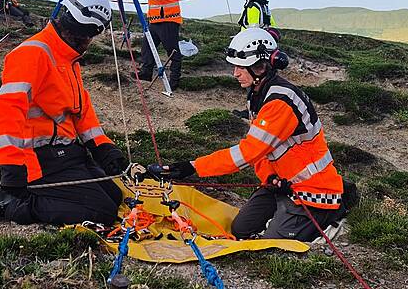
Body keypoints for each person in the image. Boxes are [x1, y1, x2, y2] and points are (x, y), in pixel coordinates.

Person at [147, 28, 357, 241]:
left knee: (271, 246)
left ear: (261, 67)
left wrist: (193, 167)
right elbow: (263, 151)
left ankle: (333, 211)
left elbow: (248, 153)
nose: (235, 73)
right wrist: (269, 177)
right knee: (240, 229)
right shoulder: (259, 93)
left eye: (241, 67)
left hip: (312, 191)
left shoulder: (279, 102)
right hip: (281, 184)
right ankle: (283, 213)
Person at [0, 0, 128, 225]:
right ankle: (8, 203)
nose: (89, 42)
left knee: (114, 197)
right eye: (89, 36)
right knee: (102, 214)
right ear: (83, 31)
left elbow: (80, 110)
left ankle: (35, 195)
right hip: (39, 160)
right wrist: (12, 165)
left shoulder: (67, 58)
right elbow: (7, 109)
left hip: (67, 153)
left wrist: (102, 148)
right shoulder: (33, 53)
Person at [119, 0, 182, 89]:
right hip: (154, 22)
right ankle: (146, 73)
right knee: (147, 49)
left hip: (168, 22)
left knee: (172, 51)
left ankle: (174, 81)